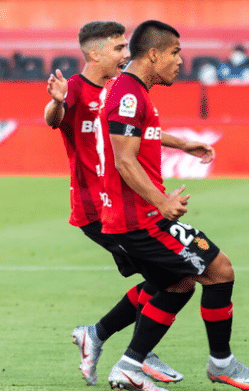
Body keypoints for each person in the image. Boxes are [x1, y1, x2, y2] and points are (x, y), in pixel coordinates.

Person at [97, 20, 249, 391]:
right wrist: (162, 202)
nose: (180, 61)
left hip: (136, 217)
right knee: (220, 271)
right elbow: (124, 160)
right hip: (140, 219)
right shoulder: (129, 95)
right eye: (175, 52)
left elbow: (141, 134)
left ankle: (130, 365)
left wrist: (182, 144)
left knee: (178, 284)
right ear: (153, 54)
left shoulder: (133, 92)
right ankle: (221, 364)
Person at [44, 21, 183, 386]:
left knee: (165, 276)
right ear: (95, 53)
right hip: (96, 209)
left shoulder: (114, 90)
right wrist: (56, 102)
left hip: (117, 205)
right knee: (170, 277)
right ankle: (134, 354)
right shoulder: (75, 88)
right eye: (119, 48)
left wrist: (183, 144)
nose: (125, 54)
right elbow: (53, 118)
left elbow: (136, 132)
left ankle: (108, 340)